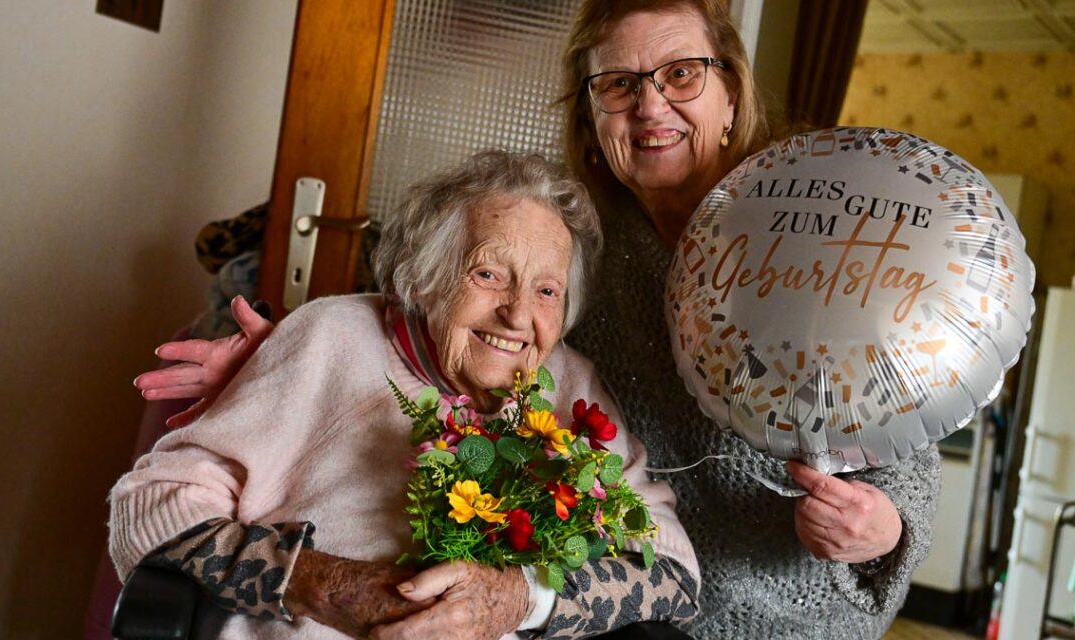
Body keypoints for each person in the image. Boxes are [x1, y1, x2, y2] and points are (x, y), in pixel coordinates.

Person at [135, 2, 941, 638]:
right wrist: (291, 356)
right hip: (627, 609)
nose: (650, 103)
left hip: (783, 605)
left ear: (731, 91)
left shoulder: (812, 223)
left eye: (682, 74)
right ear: (593, 114)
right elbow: (453, 314)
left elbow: (905, 392)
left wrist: (885, 526)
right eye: (619, 84)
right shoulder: (590, 243)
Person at [110, 151, 700, 640]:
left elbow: (674, 575)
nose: (518, 314)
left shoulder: (570, 387)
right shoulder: (332, 339)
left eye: (547, 290)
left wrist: (522, 599)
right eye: (488, 274)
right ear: (424, 274)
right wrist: (319, 583)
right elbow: (150, 508)